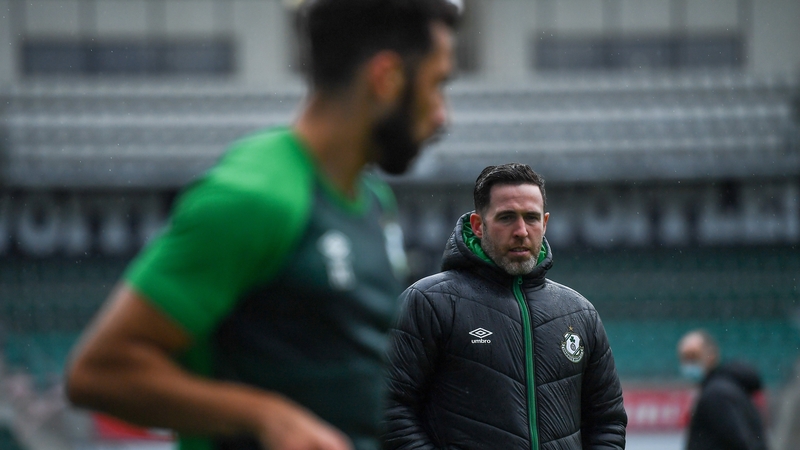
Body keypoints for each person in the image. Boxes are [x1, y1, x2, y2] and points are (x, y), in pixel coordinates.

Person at [64, 1, 459, 449]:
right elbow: (98, 371)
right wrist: (267, 417)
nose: (443, 115)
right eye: (437, 84)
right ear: (385, 79)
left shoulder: (371, 198)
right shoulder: (254, 198)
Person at [384, 163, 627, 449]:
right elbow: (389, 410)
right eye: (507, 217)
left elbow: (607, 421)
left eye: (531, 218)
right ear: (478, 225)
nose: (521, 231)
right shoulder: (428, 302)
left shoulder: (579, 313)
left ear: (545, 223)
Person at [677, 329, 768, 450]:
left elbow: (741, 442)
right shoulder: (728, 387)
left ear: (712, 355)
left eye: (694, 355)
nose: (689, 362)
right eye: (685, 357)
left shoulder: (716, 395)